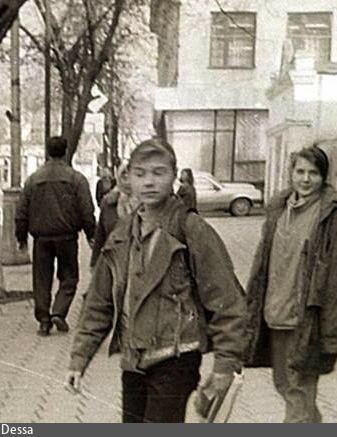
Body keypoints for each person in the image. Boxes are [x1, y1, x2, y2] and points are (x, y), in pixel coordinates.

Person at [66, 138, 247, 423]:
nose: (149, 182)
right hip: (133, 361)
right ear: (129, 178)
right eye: (140, 174)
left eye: (158, 172)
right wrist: (79, 359)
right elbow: (99, 302)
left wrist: (225, 365)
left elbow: (227, 302)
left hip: (176, 359)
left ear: (173, 175)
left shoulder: (191, 229)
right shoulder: (122, 234)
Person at [244, 143, 337, 423]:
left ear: (324, 176)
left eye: (313, 173)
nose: (306, 179)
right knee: (286, 386)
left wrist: (333, 332)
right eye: (300, 171)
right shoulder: (278, 210)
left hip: (307, 320)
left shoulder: (333, 216)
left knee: (298, 392)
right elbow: (262, 263)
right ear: (291, 173)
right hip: (275, 313)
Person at [16, 136, 96, 336]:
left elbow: (21, 211)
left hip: (41, 238)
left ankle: (44, 320)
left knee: (41, 279)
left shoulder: (33, 179)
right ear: (66, 151)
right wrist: (91, 234)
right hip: (67, 237)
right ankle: (59, 312)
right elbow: (87, 210)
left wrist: (21, 237)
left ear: (47, 152)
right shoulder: (76, 179)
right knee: (69, 277)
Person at [90, 162, 139, 269]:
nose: (127, 176)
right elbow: (100, 237)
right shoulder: (108, 203)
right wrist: (94, 264)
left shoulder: (148, 204)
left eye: (131, 173)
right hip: (113, 265)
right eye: (123, 173)